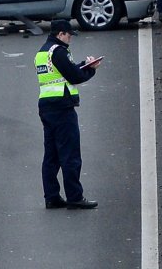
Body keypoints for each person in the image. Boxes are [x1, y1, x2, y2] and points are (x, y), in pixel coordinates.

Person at [35, 19, 101, 210]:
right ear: (60, 34)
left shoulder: (43, 52)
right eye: (69, 34)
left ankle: (52, 197)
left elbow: (63, 72)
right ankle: (75, 197)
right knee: (70, 155)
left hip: (47, 107)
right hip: (62, 108)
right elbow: (74, 76)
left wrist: (84, 64)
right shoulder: (59, 51)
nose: (70, 37)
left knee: (51, 156)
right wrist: (91, 70)